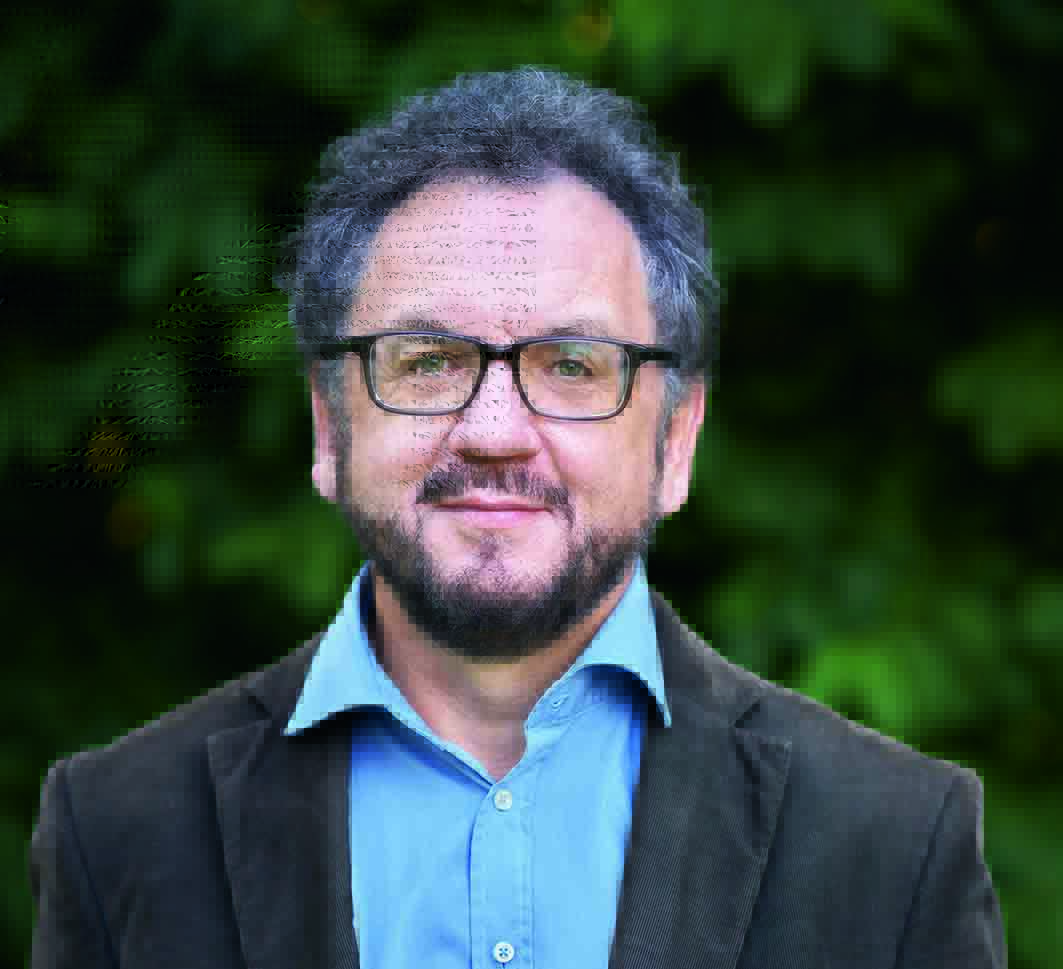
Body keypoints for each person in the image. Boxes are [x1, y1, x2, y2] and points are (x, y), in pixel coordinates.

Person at [30, 67, 1005, 968]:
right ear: (329, 426)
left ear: (675, 442)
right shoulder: (117, 831)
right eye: (428, 361)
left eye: (571, 365)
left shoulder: (896, 845)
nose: (494, 431)